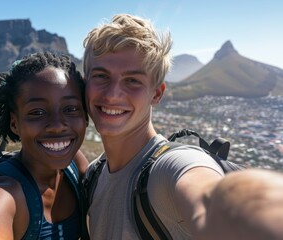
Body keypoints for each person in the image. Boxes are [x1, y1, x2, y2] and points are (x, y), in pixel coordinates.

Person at [82, 13, 283, 239]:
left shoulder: (168, 169)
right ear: (85, 82)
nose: (112, 94)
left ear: (156, 94)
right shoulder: (94, 174)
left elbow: (209, 199)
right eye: (101, 76)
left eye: (132, 81)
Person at [0, 52, 89, 239]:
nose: (56, 125)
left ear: (85, 115)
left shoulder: (75, 165)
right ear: (14, 123)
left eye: (70, 109)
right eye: (37, 112)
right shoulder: (2, 194)